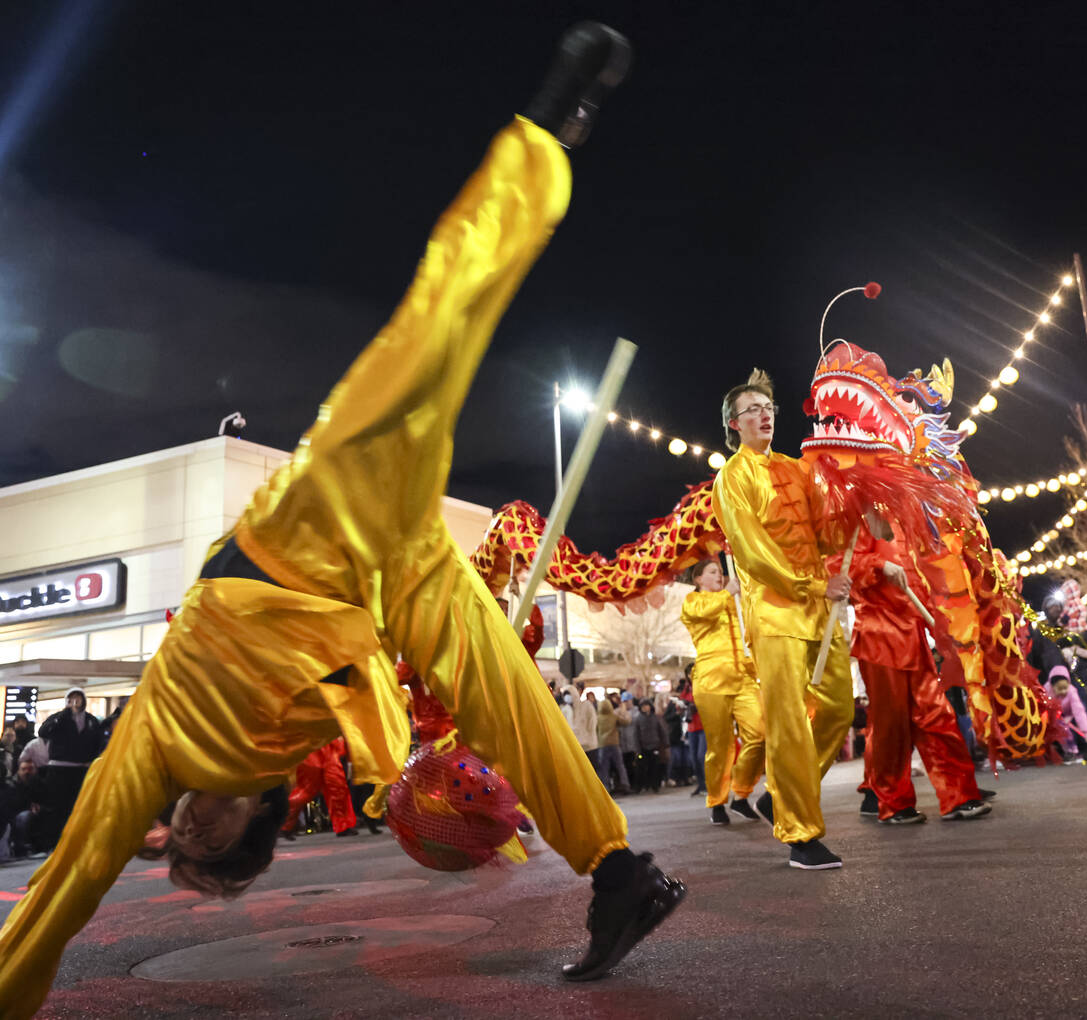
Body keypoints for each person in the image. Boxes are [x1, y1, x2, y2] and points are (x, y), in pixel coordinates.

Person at [0, 28, 687, 1017]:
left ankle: (620, 876)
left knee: (439, 328)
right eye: (208, 850)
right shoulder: (201, 751)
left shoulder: (163, 754)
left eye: (202, 847)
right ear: (229, 822)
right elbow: (372, 713)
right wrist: (413, 785)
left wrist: (406, 782)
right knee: (437, 321)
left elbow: (70, 880)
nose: (191, 834)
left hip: (335, 551)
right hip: (349, 551)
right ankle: (548, 131)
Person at [711, 369, 854, 870]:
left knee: (839, 709)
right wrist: (814, 585)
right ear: (734, 424)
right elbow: (752, 553)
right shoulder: (732, 477)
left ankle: (787, 792)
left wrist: (860, 508)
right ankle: (800, 835)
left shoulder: (798, 468)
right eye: (752, 409)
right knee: (790, 724)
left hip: (821, 611)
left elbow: (827, 535)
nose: (764, 414)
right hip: (774, 614)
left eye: (767, 407)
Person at [848, 525, 988, 823]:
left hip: (913, 636)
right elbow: (838, 566)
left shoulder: (904, 522)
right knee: (890, 726)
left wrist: (940, 622)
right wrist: (878, 565)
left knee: (937, 714)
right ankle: (893, 802)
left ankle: (959, 795)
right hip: (879, 638)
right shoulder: (851, 519)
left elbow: (921, 578)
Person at [679, 558, 766, 825]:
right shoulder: (693, 602)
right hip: (711, 679)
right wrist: (729, 592)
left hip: (743, 676)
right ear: (698, 579)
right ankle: (717, 801)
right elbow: (704, 613)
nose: (720, 575)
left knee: (760, 734)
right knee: (720, 746)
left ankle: (741, 794)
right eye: (713, 572)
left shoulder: (733, 601)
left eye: (720, 571)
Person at [37, 688, 102, 847]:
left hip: (81, 769)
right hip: (59, 769)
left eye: (78, 698)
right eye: (71, 698)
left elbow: (97, 742)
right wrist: (64, 714)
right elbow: (43, 732)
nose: (75, 701)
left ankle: (77, 841)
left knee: (79, 806)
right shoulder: (58, 718)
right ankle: (54, 842)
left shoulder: (91, 720)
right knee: (57, 806)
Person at [281, 737, 359, 837]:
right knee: (306, 790)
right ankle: (285, 825)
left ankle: (343, 826)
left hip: (327, 746)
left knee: (338, 788)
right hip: (310, 746)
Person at [1044, 665, 1087, 762]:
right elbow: (1045, 708)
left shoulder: (1072, 691)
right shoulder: (1047, 690)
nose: (1063, 691)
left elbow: (1079, 711)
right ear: (1053, 687)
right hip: (1054, 718)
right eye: (1060, 689)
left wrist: (1086, 731)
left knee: (1075, 729)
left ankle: (1082, 749)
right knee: (1063, 731)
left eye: (1065, 688)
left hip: (1070, 715)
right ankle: (1068, 752)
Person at [0, 760, 47, 860]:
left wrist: (39, 807)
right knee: (24, 816)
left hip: (36, 814)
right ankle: (20, 848)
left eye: (30, 769)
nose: (27, 772)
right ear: (18, 771)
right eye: (24, 769)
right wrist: (29, 807)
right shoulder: (10, 786)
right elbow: (11, 806)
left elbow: (47, 801)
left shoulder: (41, 784)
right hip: (14, 816)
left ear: (36, 770)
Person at [595, 693, 632, 795]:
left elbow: (596, 730)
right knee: (620, 766)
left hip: (602, 745)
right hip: (614, 744)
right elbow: (625, 723)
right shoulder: (613, 716)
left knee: (604, 768)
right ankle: (625, 784)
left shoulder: (598, 718)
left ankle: (606, 787)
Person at [633, 700, 669, 793]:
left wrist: (665, 743)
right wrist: (637, 749)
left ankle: (655, 786)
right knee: (642, 768)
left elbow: (661, 731)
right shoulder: (638, 719)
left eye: (646, 706)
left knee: (655, 767)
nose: (645, 708)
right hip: (643, 747)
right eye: (643, 706)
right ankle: (641, 786)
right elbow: (636, 734)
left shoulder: (655, 718)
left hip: (655, 746)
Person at [572, 687, 600, 771]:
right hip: (584, 745)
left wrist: (587, 734)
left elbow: (592, 723)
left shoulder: (586, 705)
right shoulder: (574, 707)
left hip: (588, 745)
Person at [616, 691, 640, 790]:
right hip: (623, 744)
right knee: (626, 766)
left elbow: (633, 721)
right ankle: (629, 785)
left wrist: (624, 714)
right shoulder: (618, 711)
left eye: (627, 701)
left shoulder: (636, 711)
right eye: (624, 701)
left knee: (635, 765)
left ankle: (636, 784)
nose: (626, 703)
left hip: (633, 743)